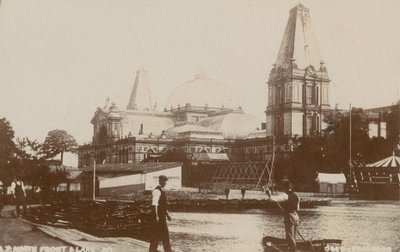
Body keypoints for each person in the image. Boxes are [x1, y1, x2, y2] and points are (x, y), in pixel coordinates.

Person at [149, 175, 172, 252]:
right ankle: (154, 250)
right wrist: (156, 217)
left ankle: (165, 250)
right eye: (164, 181)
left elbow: (163, 204)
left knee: (163, 234)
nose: (165, 182)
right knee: (158, 234)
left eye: (166, 181)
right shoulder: (157, 191)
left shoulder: (163, 190)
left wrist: (167, 214)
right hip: (158, 217)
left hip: (162, 216)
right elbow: (154, 205)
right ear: (160, 181)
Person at [281, 181, 300, 252]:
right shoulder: (297, 196)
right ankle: (293, 247)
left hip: (289, 216)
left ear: (285, 188)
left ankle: (292, 249)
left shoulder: (285, 195)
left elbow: (273, 199)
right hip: (296, 216)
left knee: (289, 234)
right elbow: (298, 208)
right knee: (293, 235)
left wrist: (269, 195)